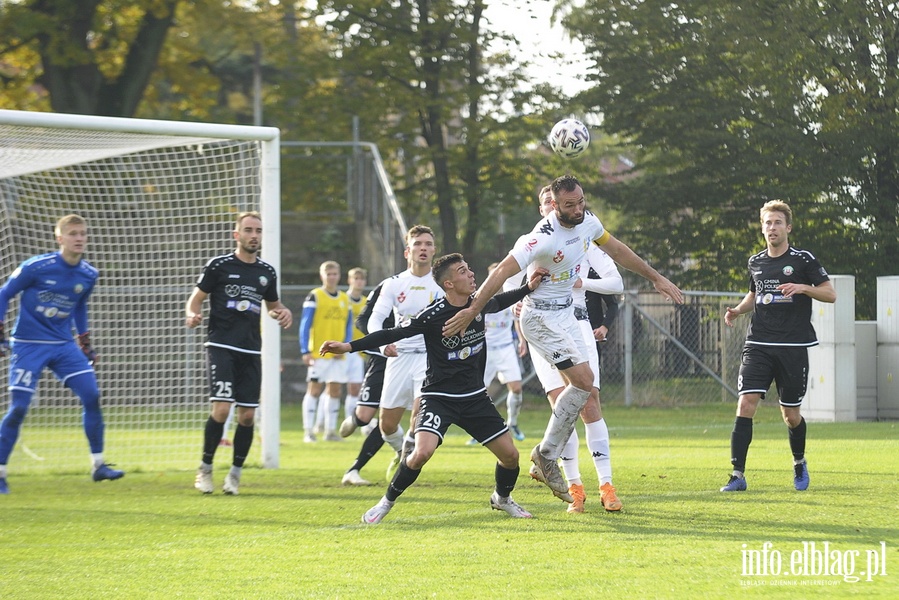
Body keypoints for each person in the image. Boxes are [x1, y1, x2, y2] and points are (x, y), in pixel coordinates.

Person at [443, 174, 683, 504]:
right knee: (582, 382)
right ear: (554, 206)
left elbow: (618, 250)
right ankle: (548, 456)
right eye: (570, 205)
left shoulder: (588, 222)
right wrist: (472, 311)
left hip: (568, 315)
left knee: (585, 388)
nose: (578, 209)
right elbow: (500, 273)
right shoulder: (539, 238)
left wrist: (655, 277)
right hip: (540, 318)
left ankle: (548, 456)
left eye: (581, 201)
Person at [321, 254, 549, 524]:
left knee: (510, 456)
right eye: (463, 271)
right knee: (421, 453)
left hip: (474, 397)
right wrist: (349, 346)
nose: (471, 274)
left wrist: (528, 288)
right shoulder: (432, 315)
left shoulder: (478, 304)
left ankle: (502, 498)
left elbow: (499, 301)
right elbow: (392, 333)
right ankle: (385, 503)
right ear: (449, 284)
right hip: (439, 397)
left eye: (468, 268)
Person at [0, 214, 124, 494]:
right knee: (19, 407)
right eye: (73, 234)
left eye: (83, 233)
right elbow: (3, 294)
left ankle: (98, 466)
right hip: (28, 343)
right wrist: (1, 331)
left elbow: (79, 306)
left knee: (91, 395)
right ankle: (0, 472)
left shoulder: (89, 274)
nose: (79, 238)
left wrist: (84, 341)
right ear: (60, 238)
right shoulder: (35, 267)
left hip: (63, 344)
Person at [720, 200, 835, 493]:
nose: (772, 228)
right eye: (768, 223)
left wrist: (802, 287)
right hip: (758, 342)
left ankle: (798, 462)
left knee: (790, 414)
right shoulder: (756, 261)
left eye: (777, 223)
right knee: (746, 403)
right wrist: (736, 310)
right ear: (762, 228)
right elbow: (753, 296)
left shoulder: (803, 260)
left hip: (793, 346)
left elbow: (830, 294)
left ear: (788, 228)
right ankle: (737, 475)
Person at [526, 185, 626, 513]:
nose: (549, 209)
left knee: (589, 399)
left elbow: (616, 282)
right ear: (547, 208)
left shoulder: (584, 237)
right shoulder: (534, 242)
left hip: (577, 322)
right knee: (560, 403)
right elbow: (512, 291)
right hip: (543, 326)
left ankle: (606, 485)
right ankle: (574, 487)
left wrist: (583, 283)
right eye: (545, 204)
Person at [186, 211, 292, 495]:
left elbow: (273, 305)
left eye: (258, 230)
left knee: (247, 417)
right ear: (237, 235)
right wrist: (193, 314)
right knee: (221, 409)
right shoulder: (219, 266)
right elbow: (196, 299)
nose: (254, 235)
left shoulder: (266, 272)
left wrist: (282, 312)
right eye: (248, 230)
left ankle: (234, 475)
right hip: (221, 346)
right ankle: (205, 469)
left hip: (250, 349)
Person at [366, 225, 443, 482]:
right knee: (386, 425)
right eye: (418, 244)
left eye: (428, 244)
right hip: (399, 356)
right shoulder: (393, 284)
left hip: (429, 357)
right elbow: (375, 320)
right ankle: (401, 450)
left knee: (420, 408)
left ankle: (409, 454)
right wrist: (380, 344)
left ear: (434, 250)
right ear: (407, 251)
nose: (423, 248)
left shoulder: (443, 283)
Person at [338, 278, 393, 486]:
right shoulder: (389, 285)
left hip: (413, 361)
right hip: (380, 359)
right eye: (417, 244)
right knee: (364, 416)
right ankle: (356, 420)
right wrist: (382, 340)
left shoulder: (435, 287)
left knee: (389, 420)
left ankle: (355, 468)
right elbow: (361, 321)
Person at [299, 261, 352, 442]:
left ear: (339, 275)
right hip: (318, 354)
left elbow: (348, 326)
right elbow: (305, 324)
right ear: (322, 276)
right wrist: (305, 350)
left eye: (334, 274)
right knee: (314, 389)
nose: (332, 277)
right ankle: (308, 431)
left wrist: (344, 346)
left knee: (335, 390)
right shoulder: (315, 296)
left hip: (338, 355)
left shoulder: (345, 299)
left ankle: (330, 431)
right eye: (328, 274)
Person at [475, 263, 528, 444]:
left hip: (506, 348)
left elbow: (516, 321)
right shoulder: (481, 298)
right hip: (486, 350)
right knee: (480, 392)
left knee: (517, 388)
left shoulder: (509, 298)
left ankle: (512, 423)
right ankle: (480, 428)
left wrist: (522, 341)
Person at [343, 267, 368, 423]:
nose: (359, 282)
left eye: (361, 279)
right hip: (342, 348)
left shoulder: (367, 302)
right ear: (349, 280)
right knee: (331, 387)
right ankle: (320, 424)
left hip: (358, 350)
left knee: (355, 388)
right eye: (356, 278)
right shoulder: (342, 299)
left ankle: (350, 420)